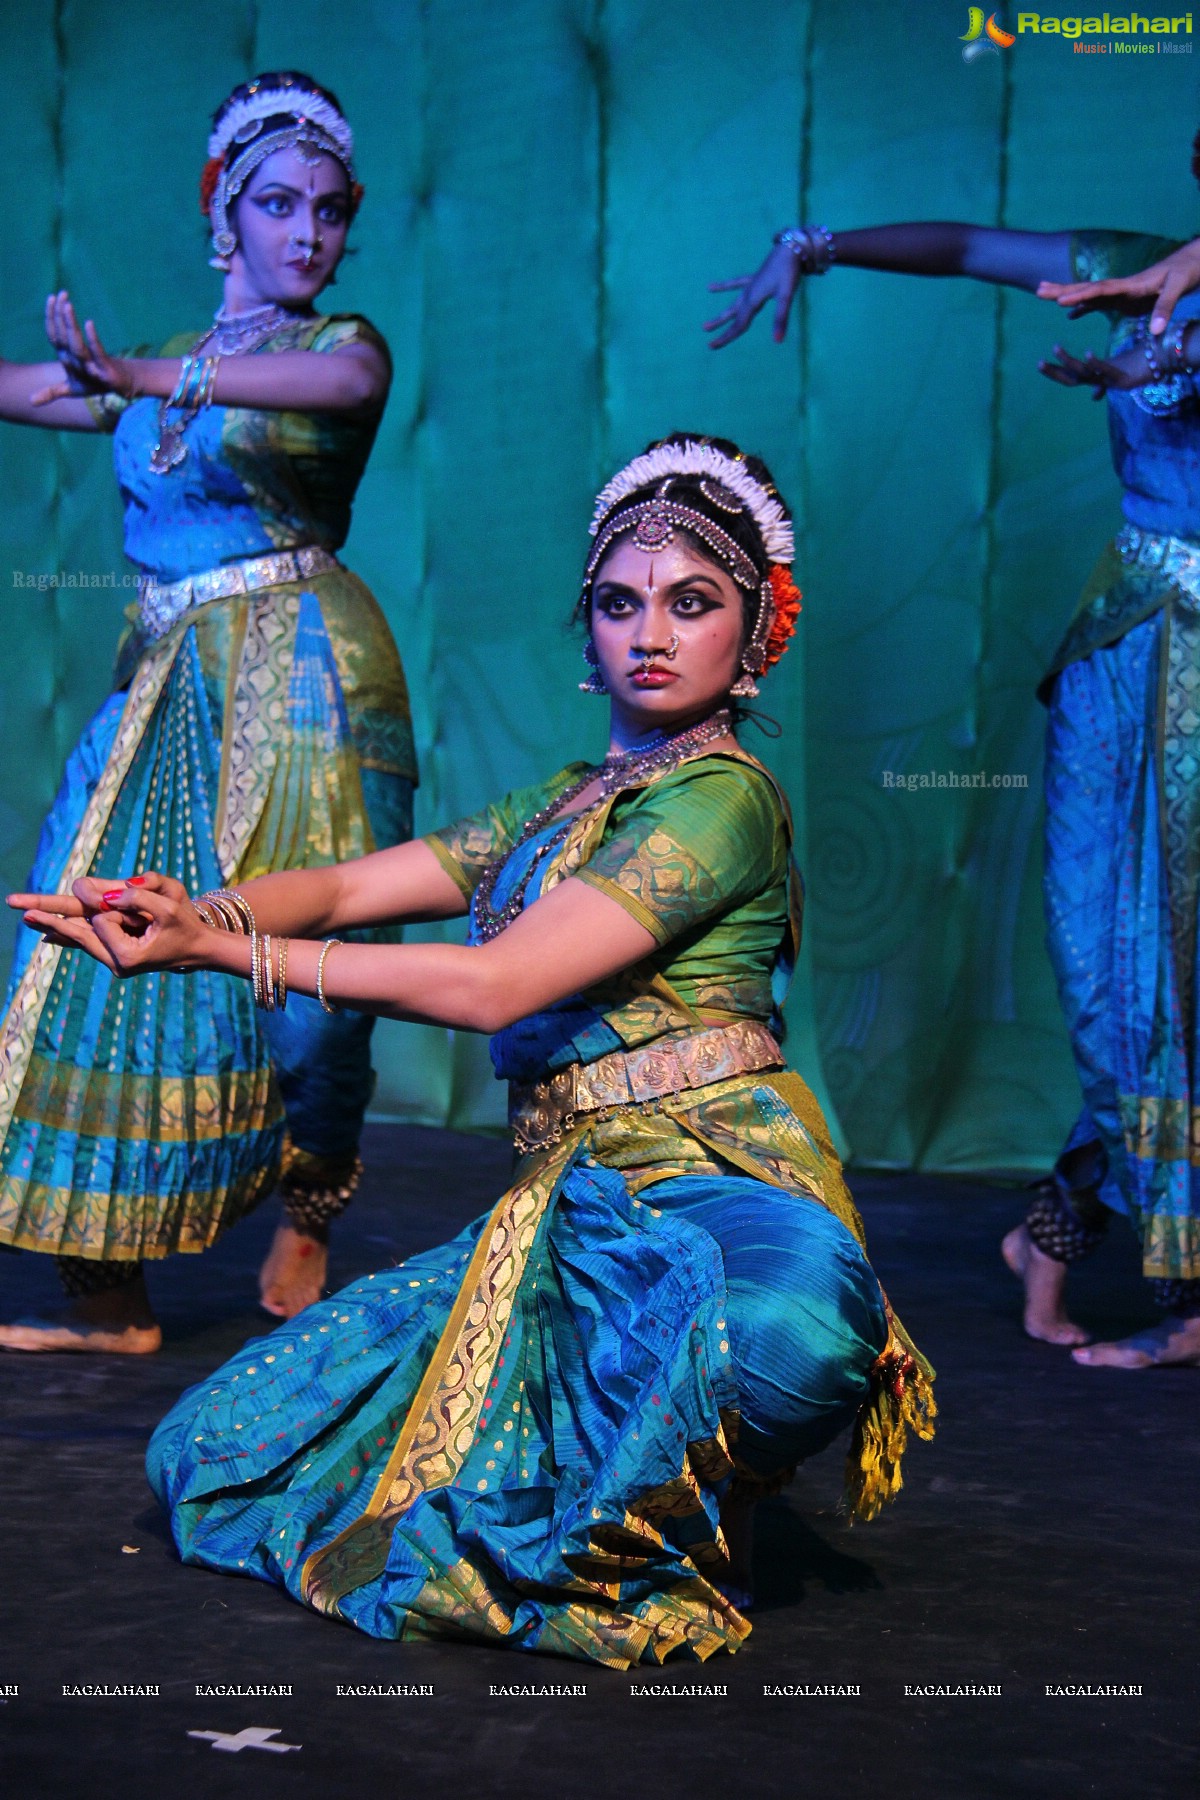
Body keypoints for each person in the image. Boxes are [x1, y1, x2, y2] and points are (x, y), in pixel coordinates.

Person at [15, 435, 935, 1666]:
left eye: (692, 602)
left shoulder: (726, 798)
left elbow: (497, 985)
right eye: (621, 602)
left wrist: (221, 955)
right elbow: (345, 888)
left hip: (716, 1189)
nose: (650, 631)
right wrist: (190, 911)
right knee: (219, 1443)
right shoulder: (558, 802)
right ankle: (604, 1482)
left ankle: (646, 1493)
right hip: (566, 1204)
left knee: (790, 1339)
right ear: (588, 627)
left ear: (758, 629)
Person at [705, 202, 1200, 1370]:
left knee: (1187, 974)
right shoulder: (1121, 262)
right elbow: (974, 250)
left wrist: (1147, 355)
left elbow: (1162, 356)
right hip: (1131, 658)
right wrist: (812, 244)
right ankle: (1092, 1244)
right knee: (1114, 969)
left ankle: (1087, 1242)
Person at [0, 71, 416, 1351]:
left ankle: (312, 1201)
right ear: (221, 211)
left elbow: (345, 390)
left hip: (305, 677)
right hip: (164, 686)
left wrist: (135, 370)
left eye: (330, 209)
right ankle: (105, 1294)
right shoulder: (162, 368)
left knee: (308, 987)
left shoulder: (342, 344)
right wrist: (123, 374)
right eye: (278, 203)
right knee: (82, 950)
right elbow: (26, 390)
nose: (307, 232)